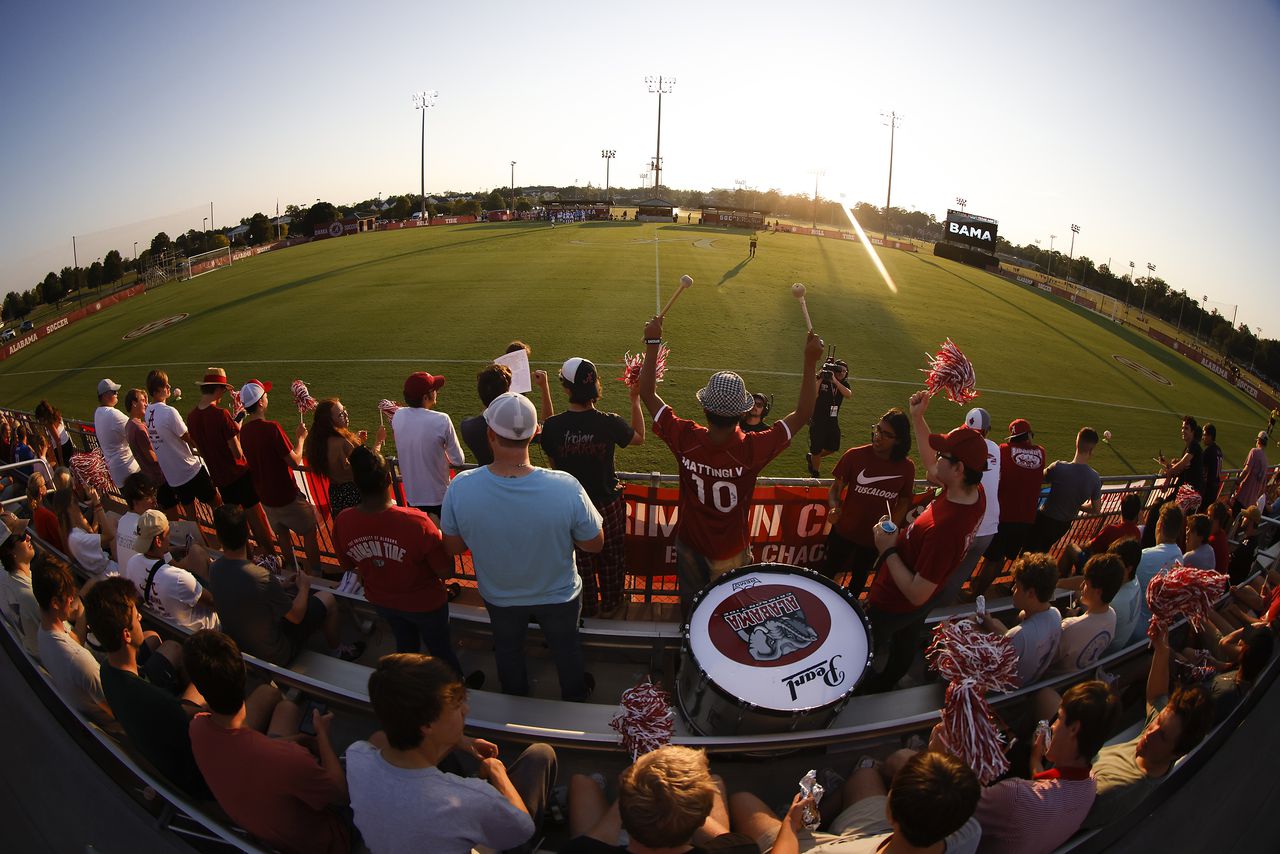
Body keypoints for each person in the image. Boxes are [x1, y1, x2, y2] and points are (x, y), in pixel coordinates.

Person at [637, 315, 823, 615]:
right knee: (728, 614)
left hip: (689, 544)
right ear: (742, 412)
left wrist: (653, 342)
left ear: (706, 408)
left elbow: (647, 393)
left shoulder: (686, 437)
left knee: (691, 610)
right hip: (731, 551)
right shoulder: (753, 448)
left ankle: (687, 649)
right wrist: (810, 360)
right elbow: (802, 413)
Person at [441, 392, 603, 701]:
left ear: (490, 434)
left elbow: (452, 548)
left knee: (508, 649)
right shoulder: (565, 485)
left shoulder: (461, 486)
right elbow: (593, 544)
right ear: (535, 434)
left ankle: (514, 699)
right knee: (566, 649)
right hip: (559, 594)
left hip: (500, 595)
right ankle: (574, 696)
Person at [348, 653, 558, 854]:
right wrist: (497, 772)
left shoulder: (357, 756)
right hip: (490, 830)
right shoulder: (467, 798)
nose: (466, 710)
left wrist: (459, 741)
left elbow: (383, 738)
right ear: (428, 725)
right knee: (541, 754)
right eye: (457, 706)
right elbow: (522, 829)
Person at [861, 391, 987, 693]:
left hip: (896, 601)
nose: (937, 460)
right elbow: (933, 468)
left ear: (958, 470)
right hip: (924, 595)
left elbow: (917, 593)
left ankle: (862, 686)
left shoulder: (948, 528)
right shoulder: (972, 493)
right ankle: (890, 680)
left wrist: (888, 548)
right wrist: (917, 417)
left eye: (945, 456)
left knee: (866, 641)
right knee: (907, 638)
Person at [185, 630, 350, 854]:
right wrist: (321, 735)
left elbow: (257, 751)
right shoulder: (288, 760)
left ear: (200, 689)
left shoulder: (197, 728)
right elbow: (341, 795)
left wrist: (296, 741)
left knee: (286, 708)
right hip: (326, 842)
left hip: (263, 829)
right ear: (243, 672)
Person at [84, 576, 212, 799]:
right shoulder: (155, 701)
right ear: (126, 634)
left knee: (173, 648)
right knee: (250, 692)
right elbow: (196, 724)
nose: (140, 616)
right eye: (136, 616)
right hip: (198, 777)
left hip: (160, 737)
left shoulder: (106, 670)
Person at [539, 357, 645, 618]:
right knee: (612, 557)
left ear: (566, 388)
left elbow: (550, 439)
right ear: (595, 385)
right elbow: (639, 438)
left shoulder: (553, 426)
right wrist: (635, 400)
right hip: (606, 503)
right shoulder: (609, 422)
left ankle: (586, 608)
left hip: (571, 505)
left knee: (579, 561)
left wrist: (543, 390)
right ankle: (611, 606)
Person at [334, 446, 456, 670]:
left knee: (406, 647)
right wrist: (439, 533)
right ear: (389, 479)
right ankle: (455, 687)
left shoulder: (343, 521)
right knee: (441, 652)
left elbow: (347, 564)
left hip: (383, 600)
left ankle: (409, 684)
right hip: (425, 603)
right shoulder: (417, 522)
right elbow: (446, 571)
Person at [1081, 624, 1214, 829]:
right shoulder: (1156, 746)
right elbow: (1155, 696)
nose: (1150, 732)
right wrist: (1162, 650)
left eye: (1161, 736)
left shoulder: (1113, 792)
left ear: (1176, 753)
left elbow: (1052, 818)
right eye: (1157, 722)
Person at [730, 749, 979, 854]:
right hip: (877, 836)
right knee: (866, 773)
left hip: (827, 845)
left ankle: (812, 819)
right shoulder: (969, 832)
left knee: (742, 800)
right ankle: (824, 815)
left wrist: (790, 823)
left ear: (890, 810)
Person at [972, 681, 1120, 854]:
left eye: (1059, 718)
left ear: (1073, 729)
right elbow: (1049, 797)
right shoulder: (1089, 786)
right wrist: (1035, 761)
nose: (1052, 726)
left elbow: (955, 804)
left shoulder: (1016, 796)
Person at [207, 503, 356, 665]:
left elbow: (245, 594)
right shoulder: (260, 577)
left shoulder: (214, 569)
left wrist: (280, 586)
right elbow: (296, 616)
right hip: (277, 653)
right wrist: (304, 587)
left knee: (292, 595)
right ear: (247, 532)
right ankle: (337, 650)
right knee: (327, 598)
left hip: (242, 647)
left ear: (220, 537)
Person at [571, 746, 753, 854]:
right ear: (703, 816)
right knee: (716, 783)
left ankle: (595, 783)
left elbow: (591, 844)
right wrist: (683, 798)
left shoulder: (581, 851)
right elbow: (726, 839)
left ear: (622, 806)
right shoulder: (741, 849)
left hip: (624, 840)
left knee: (581, 782)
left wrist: (628, 792)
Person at [822, 407, 915, 595]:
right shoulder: (854, 456)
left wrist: (891, 528)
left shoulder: (907, 468)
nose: (878, 436)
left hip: (873, 540)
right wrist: (835, 506)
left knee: (858, 582)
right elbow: (835, 489)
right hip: (844, 531)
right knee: (826, 575)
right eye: (878, 429)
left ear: (899, 440)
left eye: (886, 434)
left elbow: (905, 500)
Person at [185, 367, 276, 555]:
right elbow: (237, 453)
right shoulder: (220, 414)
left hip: (221, 481)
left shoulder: (192, 417)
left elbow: (200, 449)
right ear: (218, 389)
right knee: (256, 520)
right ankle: (272, 557)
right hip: (240, 476)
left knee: (237, 526)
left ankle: (247, 557)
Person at [238, 380, 323, 577]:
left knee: (282, 534)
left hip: (265, 497)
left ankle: (292, 570)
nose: (267, 397)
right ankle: (317, 575)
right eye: (265, 395)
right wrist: (301, 438)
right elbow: (294, 461)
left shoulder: (245, 431)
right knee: (310, 529)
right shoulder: (272, 428)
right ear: (260, 403)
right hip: (286, 494)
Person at [33, 555, 111, 723]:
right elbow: (115, 710)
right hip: (111, 727)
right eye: (69, 596)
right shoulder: (79, 659)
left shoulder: (43, 633)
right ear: (55, 603)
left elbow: (73, 637)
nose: (71, 600)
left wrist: (83, 610)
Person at [974, 419, 1046, 596]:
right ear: (1028, 435)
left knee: (991, 558)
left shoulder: (1003, 450)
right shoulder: (1041, 453)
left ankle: (975, 594)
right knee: (1003, 559)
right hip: (1027, 518)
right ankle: (980, 592)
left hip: (1003, 515)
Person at [937, 407, 1001, 605]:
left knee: (937, 573)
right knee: (958, 578)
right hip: (989, 525)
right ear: (988, 429)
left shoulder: (961, 446)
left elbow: (938, 475)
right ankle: (940, 618)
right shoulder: (997, 449)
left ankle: (924, 616)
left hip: (964, 523)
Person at [124, 509, 219, 631]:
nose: (169, 538)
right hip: (206, 631)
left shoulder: (132, 562)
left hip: (170, 627)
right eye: (168, 534)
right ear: (158, 541)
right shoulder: (179, 578)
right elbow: (215, 604)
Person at [977, 553, 1063, 687]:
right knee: (996, 624)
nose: (1012, 589)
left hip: (1005, 689)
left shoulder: (1019, 635)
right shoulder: (1055, 614)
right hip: (1030, 680)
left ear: (1030, 593)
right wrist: (994, 627)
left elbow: (989, 667)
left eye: (1017, 586)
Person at [144, 370, 217, 518]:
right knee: (217, 505)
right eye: (166, 385)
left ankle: (198, 541)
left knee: (191, 518)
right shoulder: (169, 412)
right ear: (158, 389)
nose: (169, 387)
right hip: (189, 470)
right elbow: (189, 438)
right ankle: (224, 539)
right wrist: (209, 450)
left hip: (173, 477)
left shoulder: (148, 412)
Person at [392, 371, 465, 518]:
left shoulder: (398, 416)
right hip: (439, 498)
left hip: (412, 498)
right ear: (426, 397)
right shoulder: (441, 420)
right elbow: (458, 460)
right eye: (434, 390)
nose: (437, 392)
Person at [302, 397, 385, 520]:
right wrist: (379, 440)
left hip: (336, 494)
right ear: (330, 422)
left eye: (344, 410)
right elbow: (370, 463)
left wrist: (356, 441)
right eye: (341, 414)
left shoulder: (319, 441)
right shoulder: (342, 442)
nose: (346, 414)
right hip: (355, 494)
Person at [1024, 428, 1102, 553]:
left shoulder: (1058, 467)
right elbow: (1096, 509)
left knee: (1028, 554)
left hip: (1044, 520)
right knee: (1041, 555)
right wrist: (1078, 505)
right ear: (1092, 450)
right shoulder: (1094, 478)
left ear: (1076, 443)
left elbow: (1039, 478)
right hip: (1063, 525)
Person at [1050, 553, 1124, 673]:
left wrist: (1070, 620)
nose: (1081, 586)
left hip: (1055, 678)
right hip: (1080, 676)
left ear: (1098, 592)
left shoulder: (1069, 627)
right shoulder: (1112, 616)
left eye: (1086, 584)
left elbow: (1049, 658)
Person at [1130, 502, 1186, 646]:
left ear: (1159, 525)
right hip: (1156, 632)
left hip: (1135, 631)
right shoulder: (1179, 556)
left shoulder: (1143, 556)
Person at [1057, 492, 1143, 578]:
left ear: (1122, 509)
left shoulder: (1112, 529)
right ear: (1137, 512)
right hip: (1115, 572)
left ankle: (1060, 581)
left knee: (1071, 548)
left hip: (1098, 570)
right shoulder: (1137, 532)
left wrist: (1079, 547)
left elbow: (1089, 546)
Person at [1205, 624, 1274, 725]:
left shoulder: (1226, 693)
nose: (1240, 641)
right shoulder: (1245, 676)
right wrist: (1213, 663)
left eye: (1243, 640)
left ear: (1244, 650)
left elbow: (1201, 722)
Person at [125, 387, 178, 513]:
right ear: (134, 403)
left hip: (149, 477)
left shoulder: (129, 425)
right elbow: (152, 457)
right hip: (159, 478)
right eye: (143, 400)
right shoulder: (139, 428)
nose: (146, 404)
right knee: (172, 514)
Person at [50, 486, 116, 576]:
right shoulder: (76, 537)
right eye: (75, 502)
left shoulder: (72, 533)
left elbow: (94, 537)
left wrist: (95, 509)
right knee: (112, 519)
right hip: (110, 572)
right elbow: (109, 536)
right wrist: (97, 504)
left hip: (104, 569)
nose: (78, 505)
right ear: (69, 509)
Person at [0, 514, 40, 658]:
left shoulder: (13, 581)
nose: (28, 537)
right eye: (22, 536)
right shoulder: (29, 594)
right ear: (10, 551)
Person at [459, 364, 514, 465]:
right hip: (516, 476)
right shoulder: (519, 424)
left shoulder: (468, 427)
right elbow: (547, 425)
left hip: (484, 478)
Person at [806, 358, 852, 477]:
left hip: (832, 419)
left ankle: (812, 457)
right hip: (817, 419)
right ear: (833, 370)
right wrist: (821, 377)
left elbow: (848, 394)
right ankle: (815, 472)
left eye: (844, 371)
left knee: (833, 447)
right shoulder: (823, 381)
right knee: (816, 447)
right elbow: (813, 394)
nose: (842, 373)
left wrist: (835, 381)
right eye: (839, 370)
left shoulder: (843, 383)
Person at [93, 378, 139, 488]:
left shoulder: (98, 412)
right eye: (113, 392)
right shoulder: (113, 414)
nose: (116, 393)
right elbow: (136, 429)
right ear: (104, 396)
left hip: (116, 472)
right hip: (129, 469)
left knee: (133, 504)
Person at [1158, 416, 1204, 498]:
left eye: (1186, 428)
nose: (1183, 431)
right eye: (1182, 428)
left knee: (1162, 508)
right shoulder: (1189, 447)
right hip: (1184, 491)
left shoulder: (1194, 445)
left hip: (1188, 493)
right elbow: (1182, 468)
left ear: (1192, 431)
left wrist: (1168, 475)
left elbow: (1182, 464)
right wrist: (1167, 464)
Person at [1229, 431, 1269, 515]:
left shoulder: (1254, 451)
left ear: (1258, 441)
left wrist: (1237, 482)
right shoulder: (1265, 460)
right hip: (1252, 500)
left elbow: (1247, 469)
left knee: (1233, 516)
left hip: (1243, 494)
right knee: (1240, 520)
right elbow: (1263, 485)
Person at [34, 399, 75, 464]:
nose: (40, 421)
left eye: (40, 419)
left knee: (65, 470)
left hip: (62, 449)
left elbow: (58, 440)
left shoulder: (49, 422)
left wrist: (61, 459)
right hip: (67, 443)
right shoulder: (55, 414)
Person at [1201, 422, 1223, 508]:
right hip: (1215, 487)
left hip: (1208, 488)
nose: (1203, 438)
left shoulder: (1209, 451)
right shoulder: (1218, 450)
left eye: (1204, 435)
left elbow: (1199, 467)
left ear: (1210, 436)